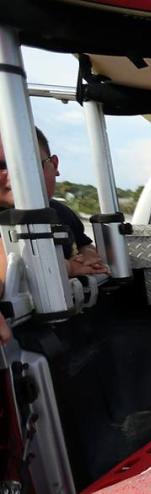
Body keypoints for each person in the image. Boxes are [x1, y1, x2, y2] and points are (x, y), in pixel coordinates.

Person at [0, 127, 108, 342]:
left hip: (71, 330)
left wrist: (88, 256)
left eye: (29, 163)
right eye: (2, 166)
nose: (15, 175)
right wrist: (69, 267)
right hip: (23, 339)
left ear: (54, 165)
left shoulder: (61, 212)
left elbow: (84, 243)